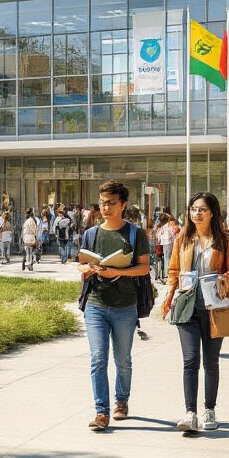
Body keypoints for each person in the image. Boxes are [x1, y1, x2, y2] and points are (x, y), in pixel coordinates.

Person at [161, 192, 229, 432]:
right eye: (193, 209)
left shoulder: (224, 240)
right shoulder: (182, 238)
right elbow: (174, 271)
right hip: (187, 305)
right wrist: (169, 297)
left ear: (212, 213)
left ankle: (209, 410)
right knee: (190, 360)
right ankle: (190, 413)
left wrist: (225, 277)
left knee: (211, 361)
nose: (197, 213)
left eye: (202, 209)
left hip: (214, 306)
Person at [77, 181, 152, 431]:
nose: (105, 207)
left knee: (122, 360)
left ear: (123, 205)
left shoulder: (135, 234)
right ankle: (101, 411)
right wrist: (87, 268)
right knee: (98, 359)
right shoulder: (91, 234)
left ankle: (122, 401)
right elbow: (81, 263)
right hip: (96, 305)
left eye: (110, 203)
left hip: (125, 306)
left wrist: (116, 271)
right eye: (102, 202)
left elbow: (144, 267)